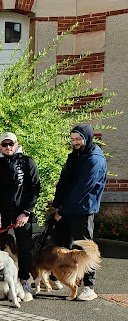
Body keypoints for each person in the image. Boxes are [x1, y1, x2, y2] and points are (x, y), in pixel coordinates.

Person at [51, 123, 107, 301]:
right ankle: (60, 277)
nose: (75, 142)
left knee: (84, 248)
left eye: (78, 139)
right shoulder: (75, 156)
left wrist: (63, 210)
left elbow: (82, 189)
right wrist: (58, 204)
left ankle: (89, 286)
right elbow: (64, 181)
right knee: (62, 244)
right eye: (72, 139)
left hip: (82, 210)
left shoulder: (94, 160)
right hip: (67, 208)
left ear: (88, 138)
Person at [0, 132, 40, 294]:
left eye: (11, 144)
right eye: (5, 144)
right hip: (1, 215)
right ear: (0, 147)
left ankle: (24, 280)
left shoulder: (27, 162)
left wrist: (26, 212)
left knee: (25, 248)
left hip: (22, 214)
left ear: (17, 144)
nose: (8, 147)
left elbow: (35, 188)